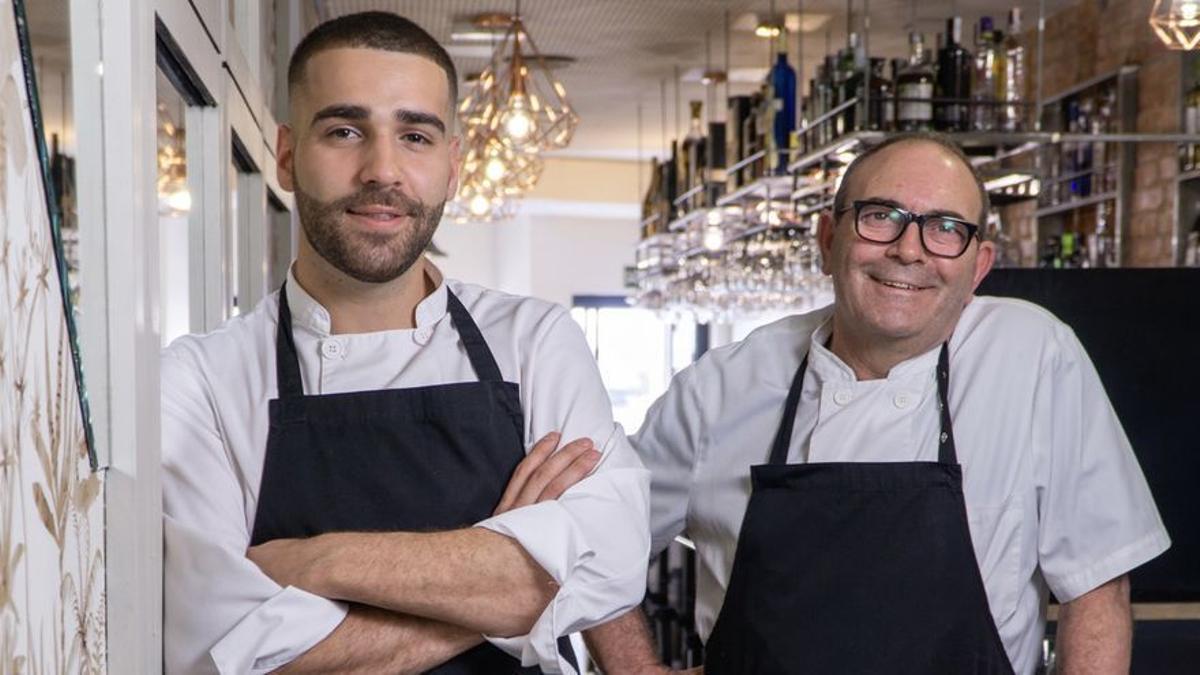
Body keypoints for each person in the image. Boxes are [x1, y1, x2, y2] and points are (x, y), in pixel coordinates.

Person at [161, 12, 649, 674]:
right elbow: (232, 655)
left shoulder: (534, 340)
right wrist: (505, 578)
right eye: (344, 130)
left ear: (452, 166)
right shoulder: (202, 380)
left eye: (414, 135)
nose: (381, 170)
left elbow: (609, 566)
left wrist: (318, 560)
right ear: (284, 154)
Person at [585, 133, 1170, 675]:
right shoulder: (721, 389)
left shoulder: (1031, 356)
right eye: (881, 217)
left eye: (944, 228)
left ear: (978, 268)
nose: (909, 250)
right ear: (827, 240)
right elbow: (593, 543)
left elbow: (1096, 588)